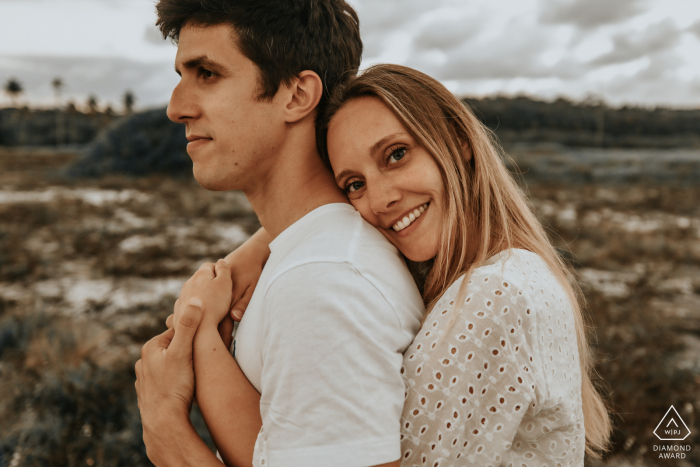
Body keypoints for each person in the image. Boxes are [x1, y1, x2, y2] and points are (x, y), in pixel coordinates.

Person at [204, 64, 613, 465]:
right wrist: (260, 247)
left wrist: (181, 414)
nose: (381, 199)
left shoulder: (494, 296)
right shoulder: (516, 273)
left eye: (396, 155)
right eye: (355, 184)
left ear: (457, 140)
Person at [134, 2, 424, 467]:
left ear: (296, 96)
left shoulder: (322, 284)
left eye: (206, 73)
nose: (176, 107)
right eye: (181, 75)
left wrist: (169, 437)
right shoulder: (304, 255)